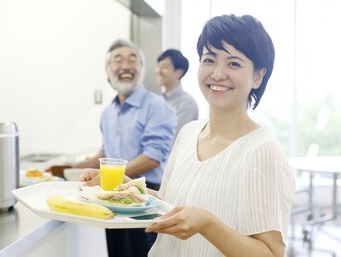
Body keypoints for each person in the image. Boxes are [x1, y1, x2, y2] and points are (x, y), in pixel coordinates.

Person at [81, 14, 295, 257]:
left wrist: (207, 224)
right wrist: (122, 185)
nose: (217, 73)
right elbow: (168, 201)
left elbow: (272, 254)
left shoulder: (261, 150)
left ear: (258, 76)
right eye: (209, 59)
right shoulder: (188, 133)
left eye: (233, 63)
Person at [49, 39, 176, 257]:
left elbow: (152, 157)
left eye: (132, 60)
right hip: (109, 195)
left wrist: (109, 178)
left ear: (142, 70)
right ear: (108, 73)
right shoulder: (108, 112)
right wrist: (67, 169)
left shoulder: (157, 107)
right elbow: (106, 154)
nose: (125, 65)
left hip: (145, 197)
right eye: (118, 60)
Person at [156, 49, 199, 135]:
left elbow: (174, 138)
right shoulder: (157, 101)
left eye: (164, 67)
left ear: (178, 72)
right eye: (158, 66)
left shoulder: (187, 103)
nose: (159, 71)